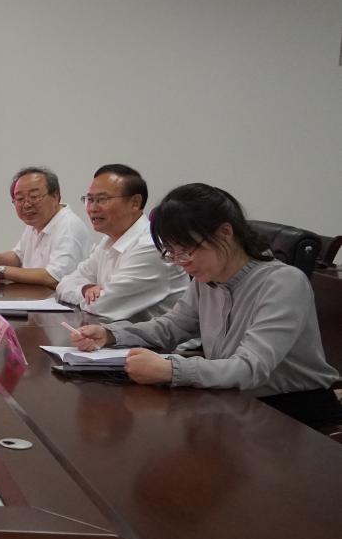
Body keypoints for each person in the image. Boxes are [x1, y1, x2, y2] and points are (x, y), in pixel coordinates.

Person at [70, 183, 341, 427]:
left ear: (225, 232)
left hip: (293, 411)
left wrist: (172, 370)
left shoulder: (283, 282)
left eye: (187, 250)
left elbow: (250, 368)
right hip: (232, 398)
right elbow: (170, 327)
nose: (181, 262)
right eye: (172, 253)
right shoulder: (208, 278)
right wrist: (110, 334)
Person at [55, 164, 188, 321]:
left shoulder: (151, 246)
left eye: (102, 199)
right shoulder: (109, 240)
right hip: (119, 331)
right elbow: (64, 284)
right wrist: (85, 289)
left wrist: (89, 294)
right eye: (89, 200)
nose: (92, 208)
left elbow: (102, 306)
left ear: (135, 203)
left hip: (157, 337)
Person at [0, 166, 93, 287]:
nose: (27, 205)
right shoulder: (37, 222)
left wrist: (0, 271)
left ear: (55, 196)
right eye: (20, 199)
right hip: (36, 298)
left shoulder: (69, 226)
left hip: (58, 303)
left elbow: (53, 277)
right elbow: (18, 257)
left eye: (34, 197)